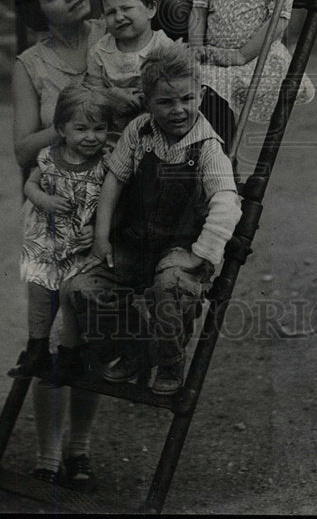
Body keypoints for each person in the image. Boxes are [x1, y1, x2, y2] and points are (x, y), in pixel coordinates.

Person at [62, 45, 242, 394]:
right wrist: (101, 238)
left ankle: (169, 359)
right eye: (165, 102)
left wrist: (198, 256)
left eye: (187, 99)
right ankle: (134, 347)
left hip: (181, 250)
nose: (178, 110)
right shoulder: (139, 132)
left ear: (201, 95)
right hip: (136, 243)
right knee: (83, 289)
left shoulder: (207, 148)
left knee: (171, 288)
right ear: (147, 101)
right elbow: (114, 178)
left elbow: (227, 204)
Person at [11, 0, 105, 489]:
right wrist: (73, 124)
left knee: (88, 329)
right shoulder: (30, 64)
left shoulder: (114, 31)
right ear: (37, 15)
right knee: (46, 337)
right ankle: (47, 456)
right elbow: (22, 147)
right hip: (51, 214)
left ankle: (81, 449)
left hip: (108, 206)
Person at [15, 85, 111, 384]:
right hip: (47, 241)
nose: (91, 136)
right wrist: (44, 200)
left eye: (99, 128)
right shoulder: (48, 157)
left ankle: (71, 353)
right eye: (81, 128)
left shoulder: (106, 164)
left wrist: (96, 228)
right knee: (39, 292)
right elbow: (30, 186)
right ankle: (37, 346)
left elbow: (112, 204)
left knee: (71, 297)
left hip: (79, 247)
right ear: (61, 129)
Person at [85, 0, 176, 127]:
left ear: (150, 9)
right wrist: (111, 95)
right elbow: (92, 90)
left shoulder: (164, 47)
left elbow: (177, 87)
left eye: (126, 8)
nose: (119, 17)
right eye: (111, 12)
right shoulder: (100, 51)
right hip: (113, 124)